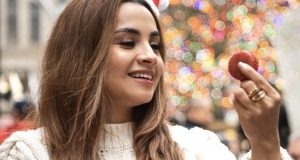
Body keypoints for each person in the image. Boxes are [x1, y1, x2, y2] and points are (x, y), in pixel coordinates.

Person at [0, 0, 292, 159]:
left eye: (155, 45)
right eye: (127, 42)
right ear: (82, 56)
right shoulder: (29, 152)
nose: (150, 56)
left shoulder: (195, 148)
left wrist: (265, 142)